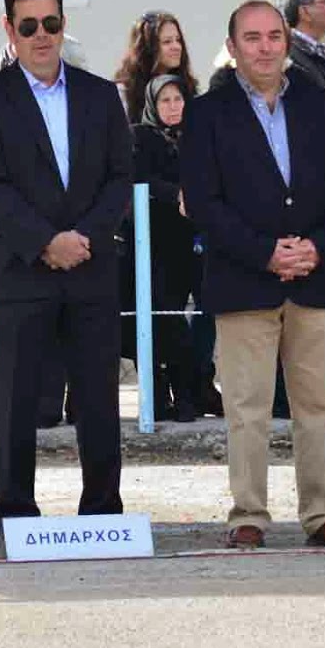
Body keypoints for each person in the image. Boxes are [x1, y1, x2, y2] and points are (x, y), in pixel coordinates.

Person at [180, 0, 325, 550]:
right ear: (232, 48)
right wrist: (266, 253)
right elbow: (205, 202)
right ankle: (248, 516)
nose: (264, 47)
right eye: (252, 38)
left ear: (287, 42)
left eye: (273, 36)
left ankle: (322, 512)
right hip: (243, 282)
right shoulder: (207, 113)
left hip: (313, 278)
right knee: (247, 409)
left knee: (316, 407)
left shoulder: (319, 101)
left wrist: (317, 248)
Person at [0, 0, 132, 533]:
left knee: (98, 398)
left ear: (64, 26)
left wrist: (82, 237)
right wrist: (45, 242)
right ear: (9, 31)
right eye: (29, 26)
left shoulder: (100, 94)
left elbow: (118, 178)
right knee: (14, 400)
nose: (42, 36)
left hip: (91, 266)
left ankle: (103, 509)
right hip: (21, 270)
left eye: (52, 24)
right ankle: (14, 511)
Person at [132, 74, 204, 423]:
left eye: (178, 99)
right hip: (154, 243)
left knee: (197, 319)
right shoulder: (140, 136)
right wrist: (176, 194)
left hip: (194, 241)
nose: (173, 107)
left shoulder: (198, 135)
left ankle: (192, 393)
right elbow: (137, 178)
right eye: (165, 101)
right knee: (164, 320)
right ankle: (161, 396)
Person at [116, 12, 201, 124]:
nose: (176, 47)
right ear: (147, 47)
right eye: (167, 42)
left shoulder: (188, 88)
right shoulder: (125, 93)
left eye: (178, 40)